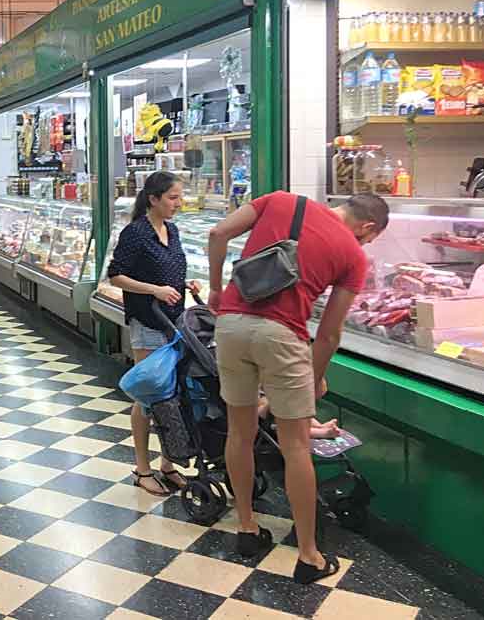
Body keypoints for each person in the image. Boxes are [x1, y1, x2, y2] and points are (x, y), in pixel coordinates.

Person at [208, 192, 388, 584]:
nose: (363, 245)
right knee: (296, 447)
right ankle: (308, 555)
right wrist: (315, 377)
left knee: (240, 432)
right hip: (282, 337)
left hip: (230, 326)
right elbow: (328, 334)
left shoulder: (282, 200)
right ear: (367, 227)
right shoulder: (354, 256)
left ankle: (247, 529)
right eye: (368, 239)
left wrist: (217, 290)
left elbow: (218, 233)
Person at [108, 171, 198, 497]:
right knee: (147, 396)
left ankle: (168, 464)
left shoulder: (171, 232)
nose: (178, 203)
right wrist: (154, 291)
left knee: (170, 397)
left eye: (179, 197)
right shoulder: (135, 233)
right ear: (154, 199)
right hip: (147, 323)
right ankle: (142, 469)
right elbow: (116, 275)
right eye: (173, 197)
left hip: (174, 324)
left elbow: (171, 270)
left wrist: (184, 285)